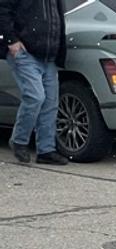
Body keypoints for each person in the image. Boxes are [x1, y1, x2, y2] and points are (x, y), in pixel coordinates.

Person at [0, 0, 69, 165]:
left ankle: (46, 150)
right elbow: (2, 9)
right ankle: (19, 141)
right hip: (25, 52)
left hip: (48, 55)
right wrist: (11, 40)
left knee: (50, 103)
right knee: (35, 96)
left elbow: (57, 18)